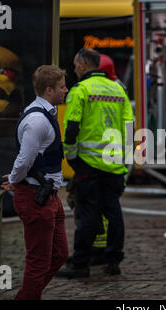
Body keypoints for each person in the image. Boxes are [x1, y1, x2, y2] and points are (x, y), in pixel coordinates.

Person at [57, 48, 134, 278]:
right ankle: (113, 261)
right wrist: (125, 161)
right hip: (114, 163)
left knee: (88, 212)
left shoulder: (80, 91)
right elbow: (129, 128)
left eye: (74, 65)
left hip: (88, 164)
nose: (73, 69)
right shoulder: (118, 90)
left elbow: (71, 128)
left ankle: (80, 264)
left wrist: (71, 157)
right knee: (113, 211)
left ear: (83, 65)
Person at [1, 65, 69, 300]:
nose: (66, 90)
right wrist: (14, 179)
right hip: (36, 197)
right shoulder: (38, 120)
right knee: (38, 262)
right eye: (62, 87)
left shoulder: (45, 113)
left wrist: (15, 178)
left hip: (48, 195)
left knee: (60, 254)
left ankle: (29, 294)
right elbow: (25, 158)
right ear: (49, 90)